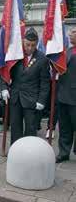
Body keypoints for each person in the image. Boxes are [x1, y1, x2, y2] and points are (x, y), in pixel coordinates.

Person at [1, 27, 50, 144]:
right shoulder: (16, 55)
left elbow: (45, 82)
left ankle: (29, 153)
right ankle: (15, 151)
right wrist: (3, 88)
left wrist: (42, 101)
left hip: (32, 99)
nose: (30, 48)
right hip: (15, 97)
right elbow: (5, 72)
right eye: (27, 44)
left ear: (36, 44)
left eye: (33, 45)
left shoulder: (42, 59)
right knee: (15, 128)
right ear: (23, 42)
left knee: (30, 128)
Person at [56, 26, 76, 163]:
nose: (70, 34)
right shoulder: (67, 51)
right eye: (71, 32)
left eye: (74, 32)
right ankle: (64, 152)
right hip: (63, 94)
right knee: (64, 126)